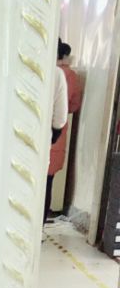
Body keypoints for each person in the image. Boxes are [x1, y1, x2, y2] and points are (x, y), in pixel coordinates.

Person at [47, 38, 83, 219]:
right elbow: (72, 106)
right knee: (47, 182)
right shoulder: (67, 75)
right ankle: (40, 225)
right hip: (55, 135)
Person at [44, 39, 70, 225]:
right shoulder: (57, 74)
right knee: (44, 185)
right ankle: (37, 231)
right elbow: (61, 117)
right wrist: (52, 135)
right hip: (43, 145)